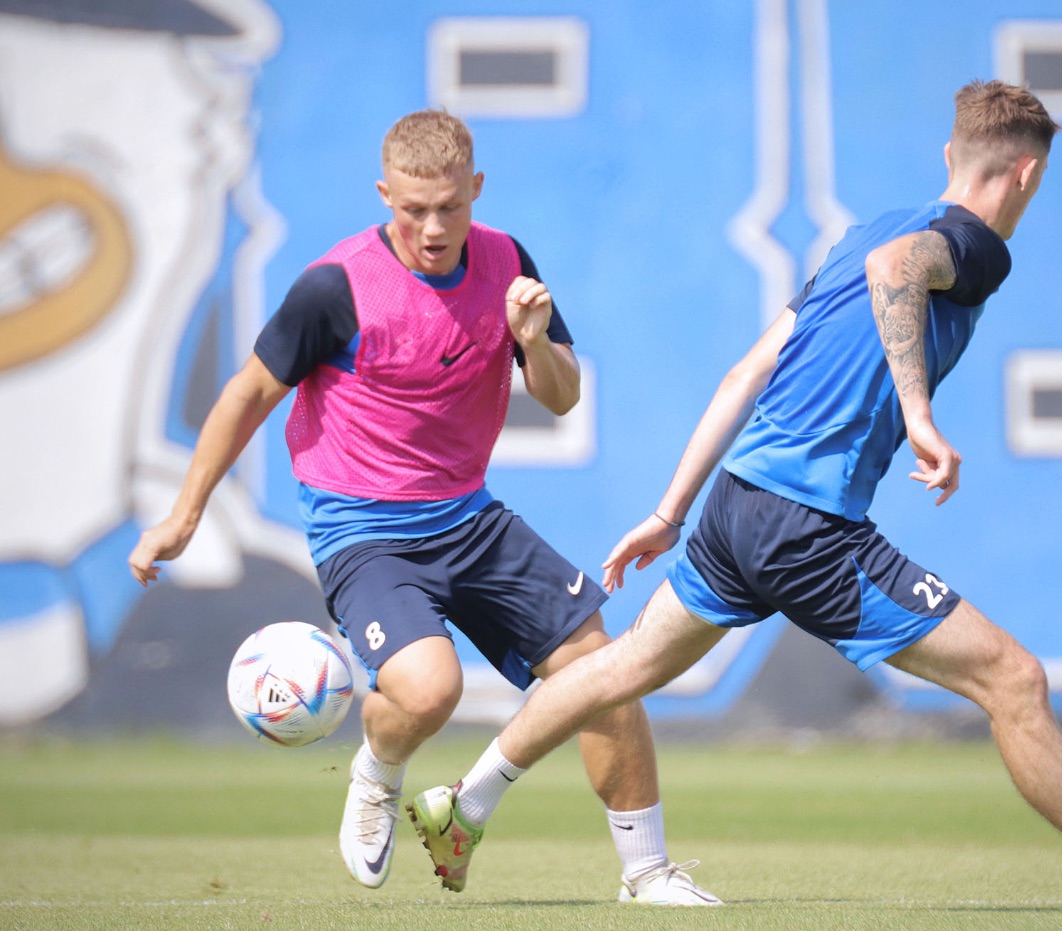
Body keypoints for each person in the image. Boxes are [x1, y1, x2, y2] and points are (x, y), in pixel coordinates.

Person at [412, 81, 1062, 912]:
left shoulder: (863, 232)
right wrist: (919, 414)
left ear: (949, 154)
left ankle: (465, 800)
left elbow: (746, 372)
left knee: (621, 666)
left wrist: (671, 511)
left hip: (736, 505)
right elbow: (901, 272)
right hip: (804, 525)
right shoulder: (970, 245)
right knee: (1014, 678)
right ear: (1027, 174)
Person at [127, 109, 720, 907]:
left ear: (476, 189)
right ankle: (378, 771)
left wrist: (532, 341)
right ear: (385, 195)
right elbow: (247, 394)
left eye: (449, 206)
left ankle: (647, 873)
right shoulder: (335, 287)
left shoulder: (508, 261)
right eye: (413, 209)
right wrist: (185, 514)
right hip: (364, 532)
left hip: (470, 518)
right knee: (430, 690)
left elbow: (562, 396)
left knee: (602, 673)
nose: (433, 228)